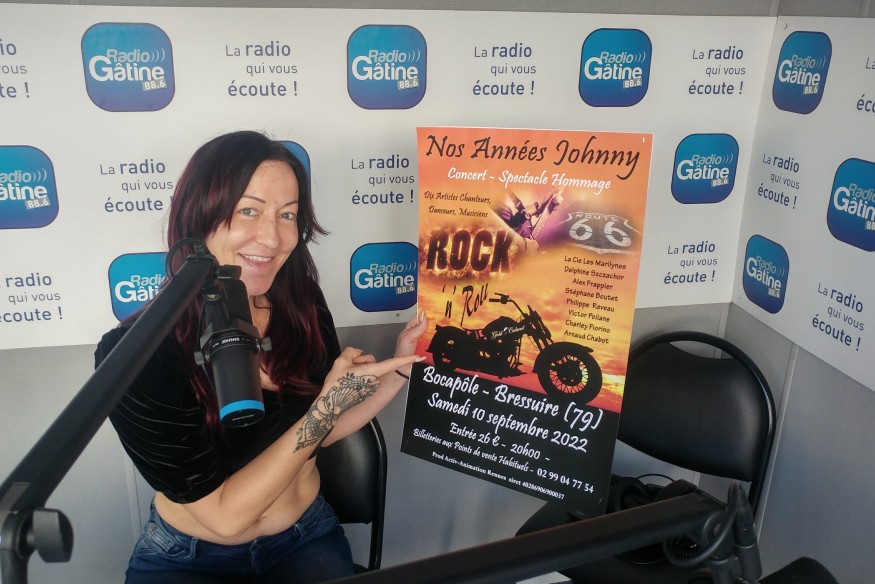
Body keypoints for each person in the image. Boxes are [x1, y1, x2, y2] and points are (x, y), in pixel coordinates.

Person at [95, 130, 427, 583]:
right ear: (200, 215)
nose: (272, 237)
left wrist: (400, 369)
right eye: (248, 210)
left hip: (306, 536)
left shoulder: (299, 300)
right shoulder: (138, 352)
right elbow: (225, 517)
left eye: (287, 214)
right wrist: (326, 406)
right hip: (189, 557)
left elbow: (321, 431)